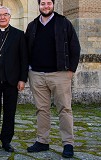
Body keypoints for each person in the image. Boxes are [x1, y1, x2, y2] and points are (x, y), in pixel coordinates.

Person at [25, 0, 81, 158]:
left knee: (65, 109)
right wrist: (28, 70)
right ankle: (42, 141)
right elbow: (26, 48)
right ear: (39, 5)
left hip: (59, 74)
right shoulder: (32, 25)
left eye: (49, 3)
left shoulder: (63, 23)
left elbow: (74, 46)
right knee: (42, 109)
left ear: (53, 4)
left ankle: (68, 143)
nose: (46, 6)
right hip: (37, 74)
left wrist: (71, 70)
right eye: (43, 3)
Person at [0, 6, 28, 152]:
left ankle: (7, 141)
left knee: (10, 112)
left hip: (11, 81)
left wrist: (22, 79)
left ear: (10, 16)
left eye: (5, 14)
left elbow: (24, 59)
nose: (2, 17)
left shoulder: (19, 35)